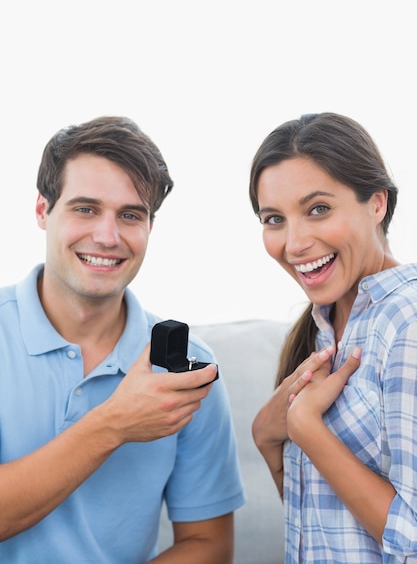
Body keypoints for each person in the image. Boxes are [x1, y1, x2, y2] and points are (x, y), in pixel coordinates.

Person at [0, 116, 245, 563]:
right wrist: (114, 424)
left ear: (150, 226)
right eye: (85, 209)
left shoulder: (190, 369)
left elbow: (209, 545)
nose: (107, 237)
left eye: (130, 215)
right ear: (42, 210)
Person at [249, 112, 417, 563]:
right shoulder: (322, 327)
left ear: (377, 203)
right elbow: (324, 526)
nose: (295, 242)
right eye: (274, 219)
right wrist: (267, 437)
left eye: (318, 209)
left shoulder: (406, 325)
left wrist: (307, 430)